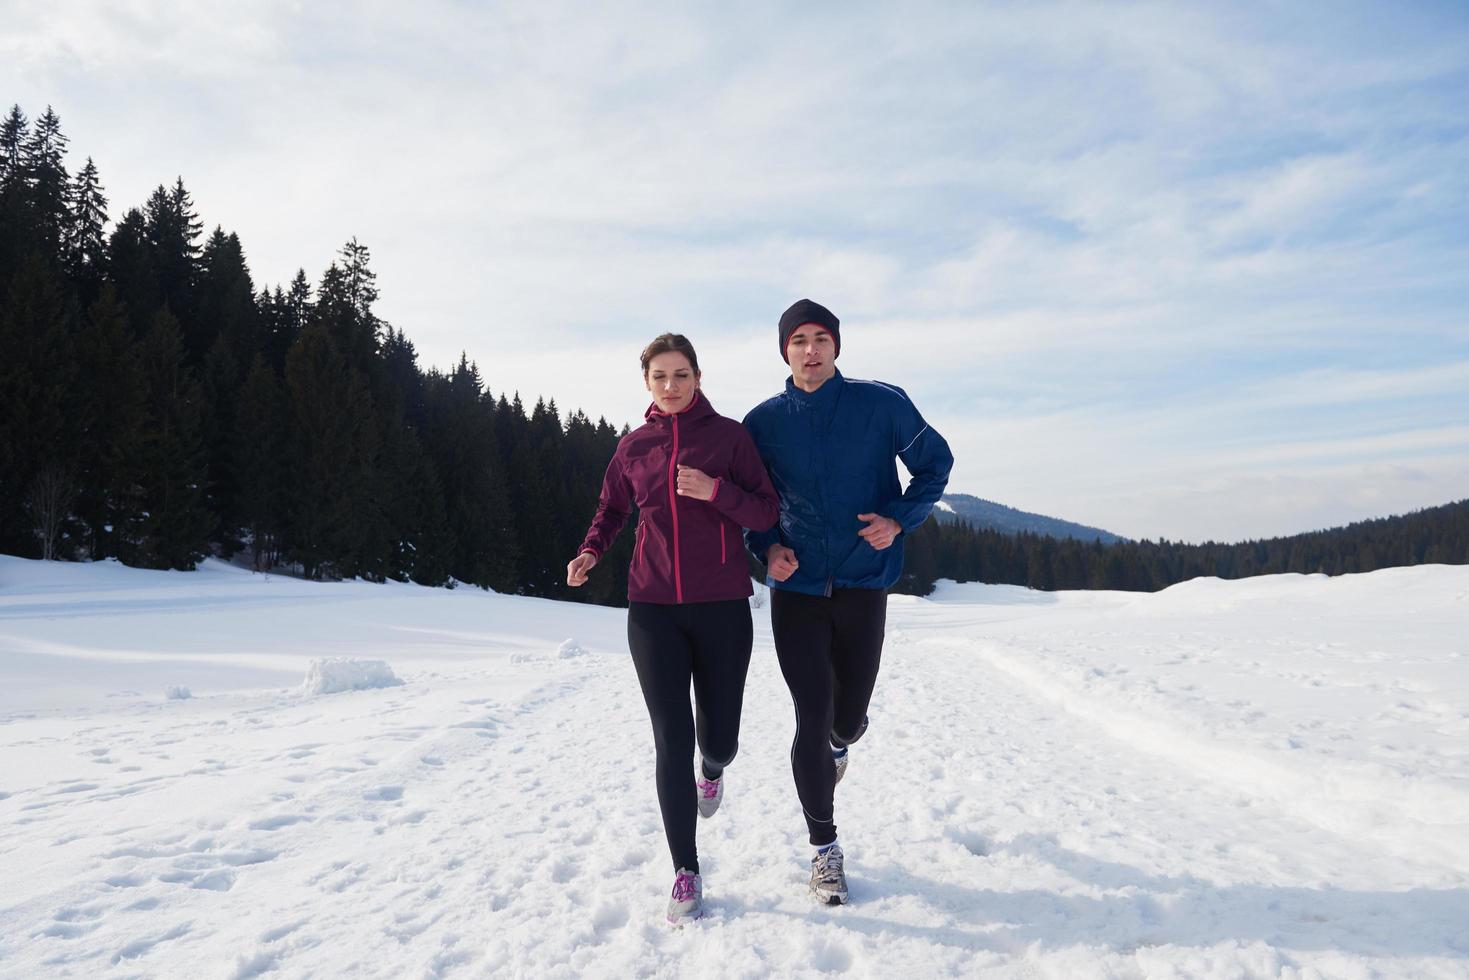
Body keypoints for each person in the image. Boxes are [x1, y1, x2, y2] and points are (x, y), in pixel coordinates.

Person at [743, 298, 953, 905]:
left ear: (836, 346)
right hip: (799, 592)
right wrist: (766, 548)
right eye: (799, 340)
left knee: (847, 717)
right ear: (784, 350)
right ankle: (824, 850)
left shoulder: (882, 404)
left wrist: (900, 519)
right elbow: (750, 501)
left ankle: (841, 743)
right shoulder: (762, 423)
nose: (811, 350)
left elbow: (935, 464)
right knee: (810, 717)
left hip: (864, 584)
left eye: (821, 339)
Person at [567, 333, 779, 925]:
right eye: (660, 376)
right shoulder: (634, 447)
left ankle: (713, 772)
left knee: (720, 740)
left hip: (722, 607)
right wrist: (590, 553)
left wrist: (716, 491)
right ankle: (685, 869)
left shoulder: (731, 438)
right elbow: (611, 510)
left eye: (681, 374)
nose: (671, 385)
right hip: (653, 608)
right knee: (670, 737)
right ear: (647, 384)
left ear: (698, 376)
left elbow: (766, 510)